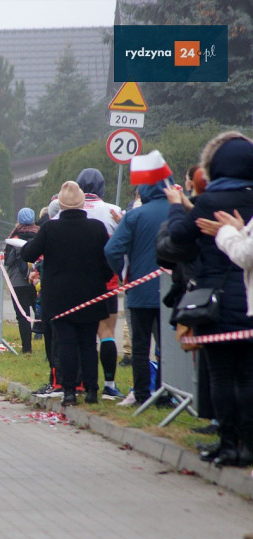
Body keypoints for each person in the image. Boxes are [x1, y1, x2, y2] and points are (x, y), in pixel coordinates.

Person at [165, 131, 253, 468]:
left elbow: (178, 236)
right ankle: (248, 445)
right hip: (248, 299)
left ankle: (227, 443)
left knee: (220, 375)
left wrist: (176, 209)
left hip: (214, 302)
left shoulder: (209, 201)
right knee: (247, 376)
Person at [22, 181, 112, 407]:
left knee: (67, 345)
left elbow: (29, 253)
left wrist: (24, 246)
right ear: (82, 204)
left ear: (59, 205)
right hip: (91, 297)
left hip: (60, 300)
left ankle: (69, 391)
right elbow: (107, 263)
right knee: (89, 344)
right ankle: (92, 390)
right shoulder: (97, 228)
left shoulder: (51, 229)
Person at [105, 170, 173, 407]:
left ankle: (143, 394)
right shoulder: (180, 212)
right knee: (168, 345)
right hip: (173, 292)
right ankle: (167, 393)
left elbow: (112, 250)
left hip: (140, 291)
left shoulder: (134, 216)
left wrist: (125, 275)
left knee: (140, 346)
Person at [77, 169, 125, 398]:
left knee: (80, 334)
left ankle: (80, 383)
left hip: (78, 282)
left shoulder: (69, 210)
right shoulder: (114, 211)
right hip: (108, 281)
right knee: (107, 332)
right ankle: (109, 384)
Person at [4, 207, 40, 354]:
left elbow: (8, 260)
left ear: (18, 220)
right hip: (37, 281)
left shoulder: (14, 237)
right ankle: (50, 346)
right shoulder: (40, 234)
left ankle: (27, 349)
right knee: (41, 313)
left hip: (18, 282)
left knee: (22, 316)